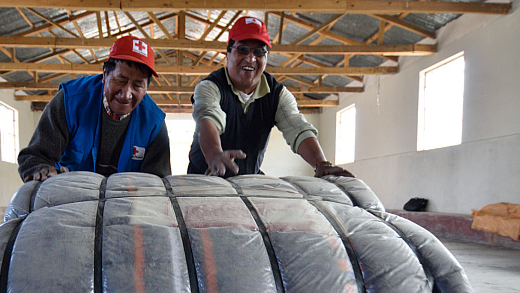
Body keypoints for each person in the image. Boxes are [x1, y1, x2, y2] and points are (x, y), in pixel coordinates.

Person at [188, 16, 354, 179]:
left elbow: (297, 127)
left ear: (266, 58)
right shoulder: (210, 87)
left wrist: (322, 164)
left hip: (248, 181)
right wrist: (215, 154)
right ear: (228, 54)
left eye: (259, 52)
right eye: (243, 49)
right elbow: (208, 119)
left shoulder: (278, 94)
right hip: (204, 178)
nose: (251, 58)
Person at [18, 35, 172, 182]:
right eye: (120, 80)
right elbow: (34, 157)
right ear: (105, 74)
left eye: (138, 85)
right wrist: (42, 171)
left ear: (146, 88)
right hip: (70, 199)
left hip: (125, 204)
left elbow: (158, 184)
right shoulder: (70, 101)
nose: (126, 95)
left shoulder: (154, 124)